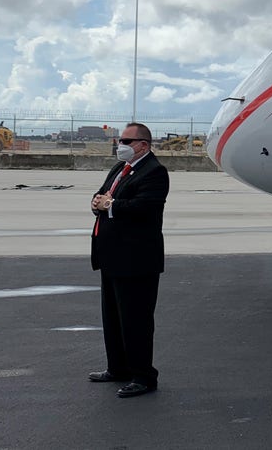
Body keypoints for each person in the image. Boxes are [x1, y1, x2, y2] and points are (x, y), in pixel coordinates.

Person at [88, 122, 169, 398]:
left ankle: (144, 376)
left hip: (137, 259)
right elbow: (101, 195)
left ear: (143, 145)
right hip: (112, 257)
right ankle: (118, 368)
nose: (120, 144)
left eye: (125, 140)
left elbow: (144, 208)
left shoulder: (154, 172)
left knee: (136, 320)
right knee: (112, 318)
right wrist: (97, 202)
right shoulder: (119, 169)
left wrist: (109, 205)